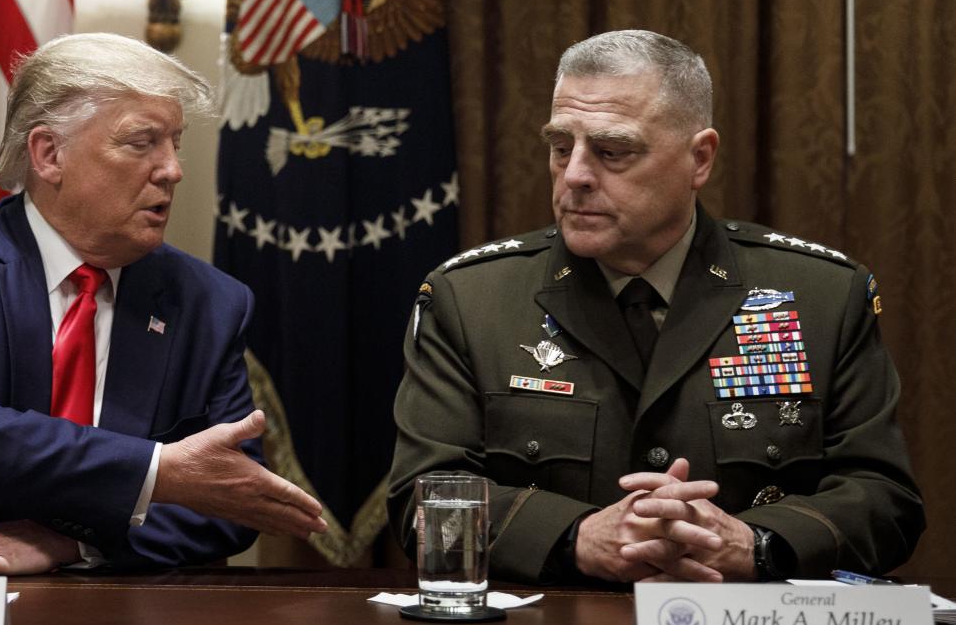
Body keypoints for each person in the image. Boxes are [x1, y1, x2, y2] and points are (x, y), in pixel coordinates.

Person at [389, 29, 924, 584]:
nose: (574, 174)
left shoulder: (822, 296)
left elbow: (885, 500)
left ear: (699, 159)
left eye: (612, 151)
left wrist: (757, 544)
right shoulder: (472, 300)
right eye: (560, 146)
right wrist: (575, 537)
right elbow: (421, 503)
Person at [0, 33, 326, 574]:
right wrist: (155, 471)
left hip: (126, 622)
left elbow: (232, 504)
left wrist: (65, 543)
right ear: (49, 154)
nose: (172, 169)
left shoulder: (210, 302)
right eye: (141, 142)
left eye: (175, 141)